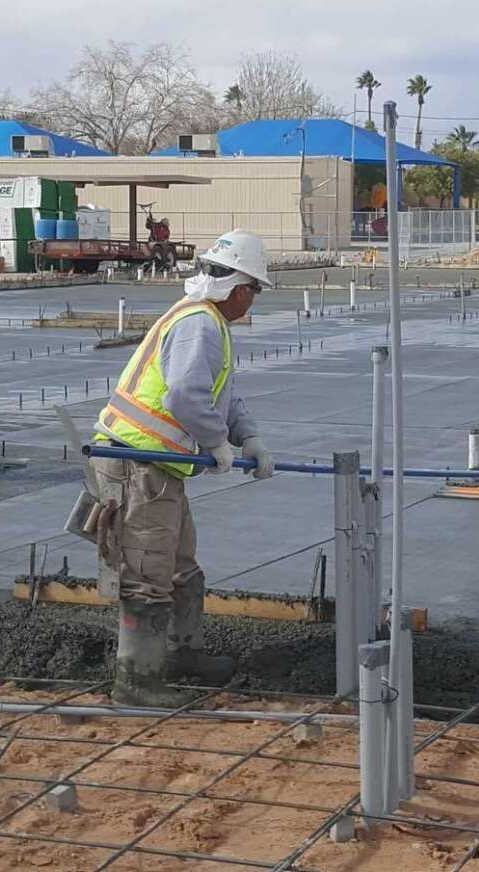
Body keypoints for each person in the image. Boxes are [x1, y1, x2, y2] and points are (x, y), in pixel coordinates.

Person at [91, 229, 273, 707]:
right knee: (147, 572)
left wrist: (247, 436)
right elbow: (185, 396)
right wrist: (216, 442)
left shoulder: (208, 321)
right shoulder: (200, 324)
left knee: (178, 565)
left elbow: (220, 395)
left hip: (158, 466)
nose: (253, 301)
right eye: (254, 290)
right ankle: (137, 683)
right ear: (239, 288)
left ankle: (181, 653)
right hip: (137, 463)